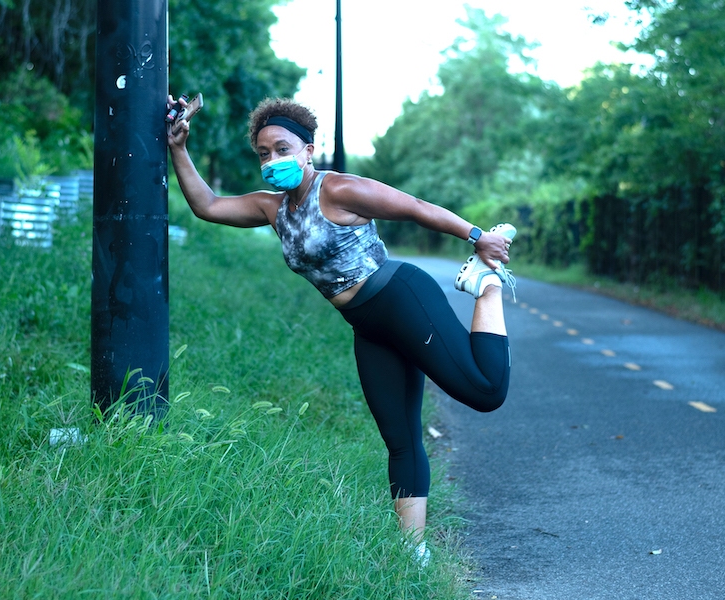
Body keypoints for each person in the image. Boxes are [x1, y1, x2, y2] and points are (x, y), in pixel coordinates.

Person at [167, 96, 515, 564]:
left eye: (283, 148)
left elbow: (413, 207)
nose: (272, 160)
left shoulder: (338, 190)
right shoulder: (273, 209)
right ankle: (414, 555)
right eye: (264, 153)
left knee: (487, 390)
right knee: (400, 436)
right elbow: (207, 205)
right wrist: (179, 147)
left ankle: (484, 285)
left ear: (308, 150)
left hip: (400, 298)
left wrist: (478, 237)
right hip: (367, 326)